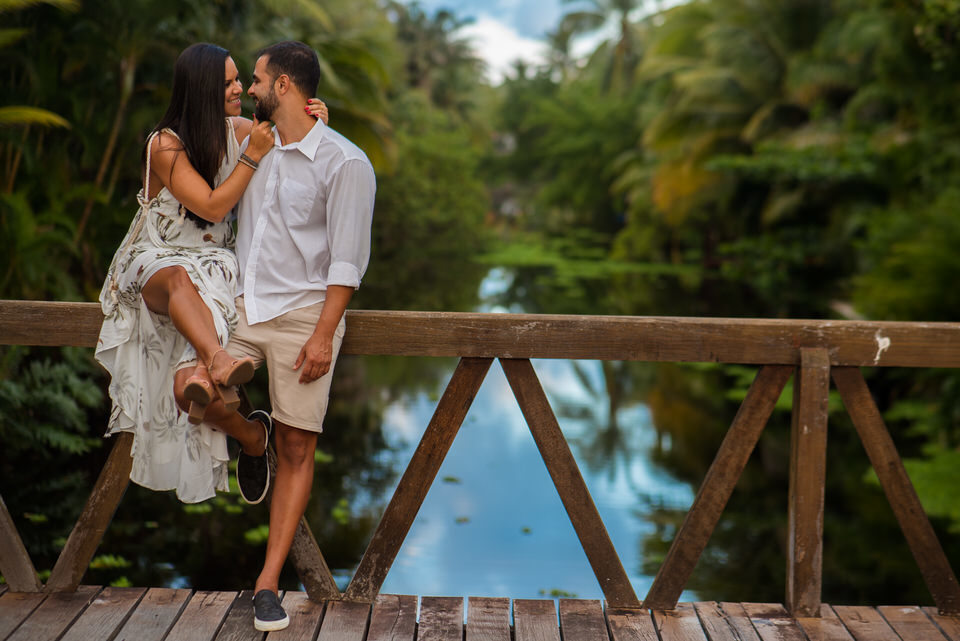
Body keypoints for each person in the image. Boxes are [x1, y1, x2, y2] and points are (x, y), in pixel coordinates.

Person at [183, 41, 376, 632]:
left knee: (297, 448)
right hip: (243, 310)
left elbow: (348, 261)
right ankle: (249, 436)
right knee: (192, 391)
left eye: (258, 79)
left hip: (303, 319)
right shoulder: (251, 142)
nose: (249, 89)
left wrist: (323, 336)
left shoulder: (346, 163)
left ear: (285, 85)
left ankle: (267, 584)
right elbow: (193, 116)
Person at [96, 43, 328, 503]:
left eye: (241, 79)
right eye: (228, 83)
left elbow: (300, 157)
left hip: (215, 261)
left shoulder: (240, 129)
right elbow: (209, 205)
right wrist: (249, 158)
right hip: (157, 254)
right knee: (178, 277)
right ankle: (219, 361)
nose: (240, 88)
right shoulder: (164, 143)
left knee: (193, 388)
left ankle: (249, 434)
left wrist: (319, 123)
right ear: (203, 89)